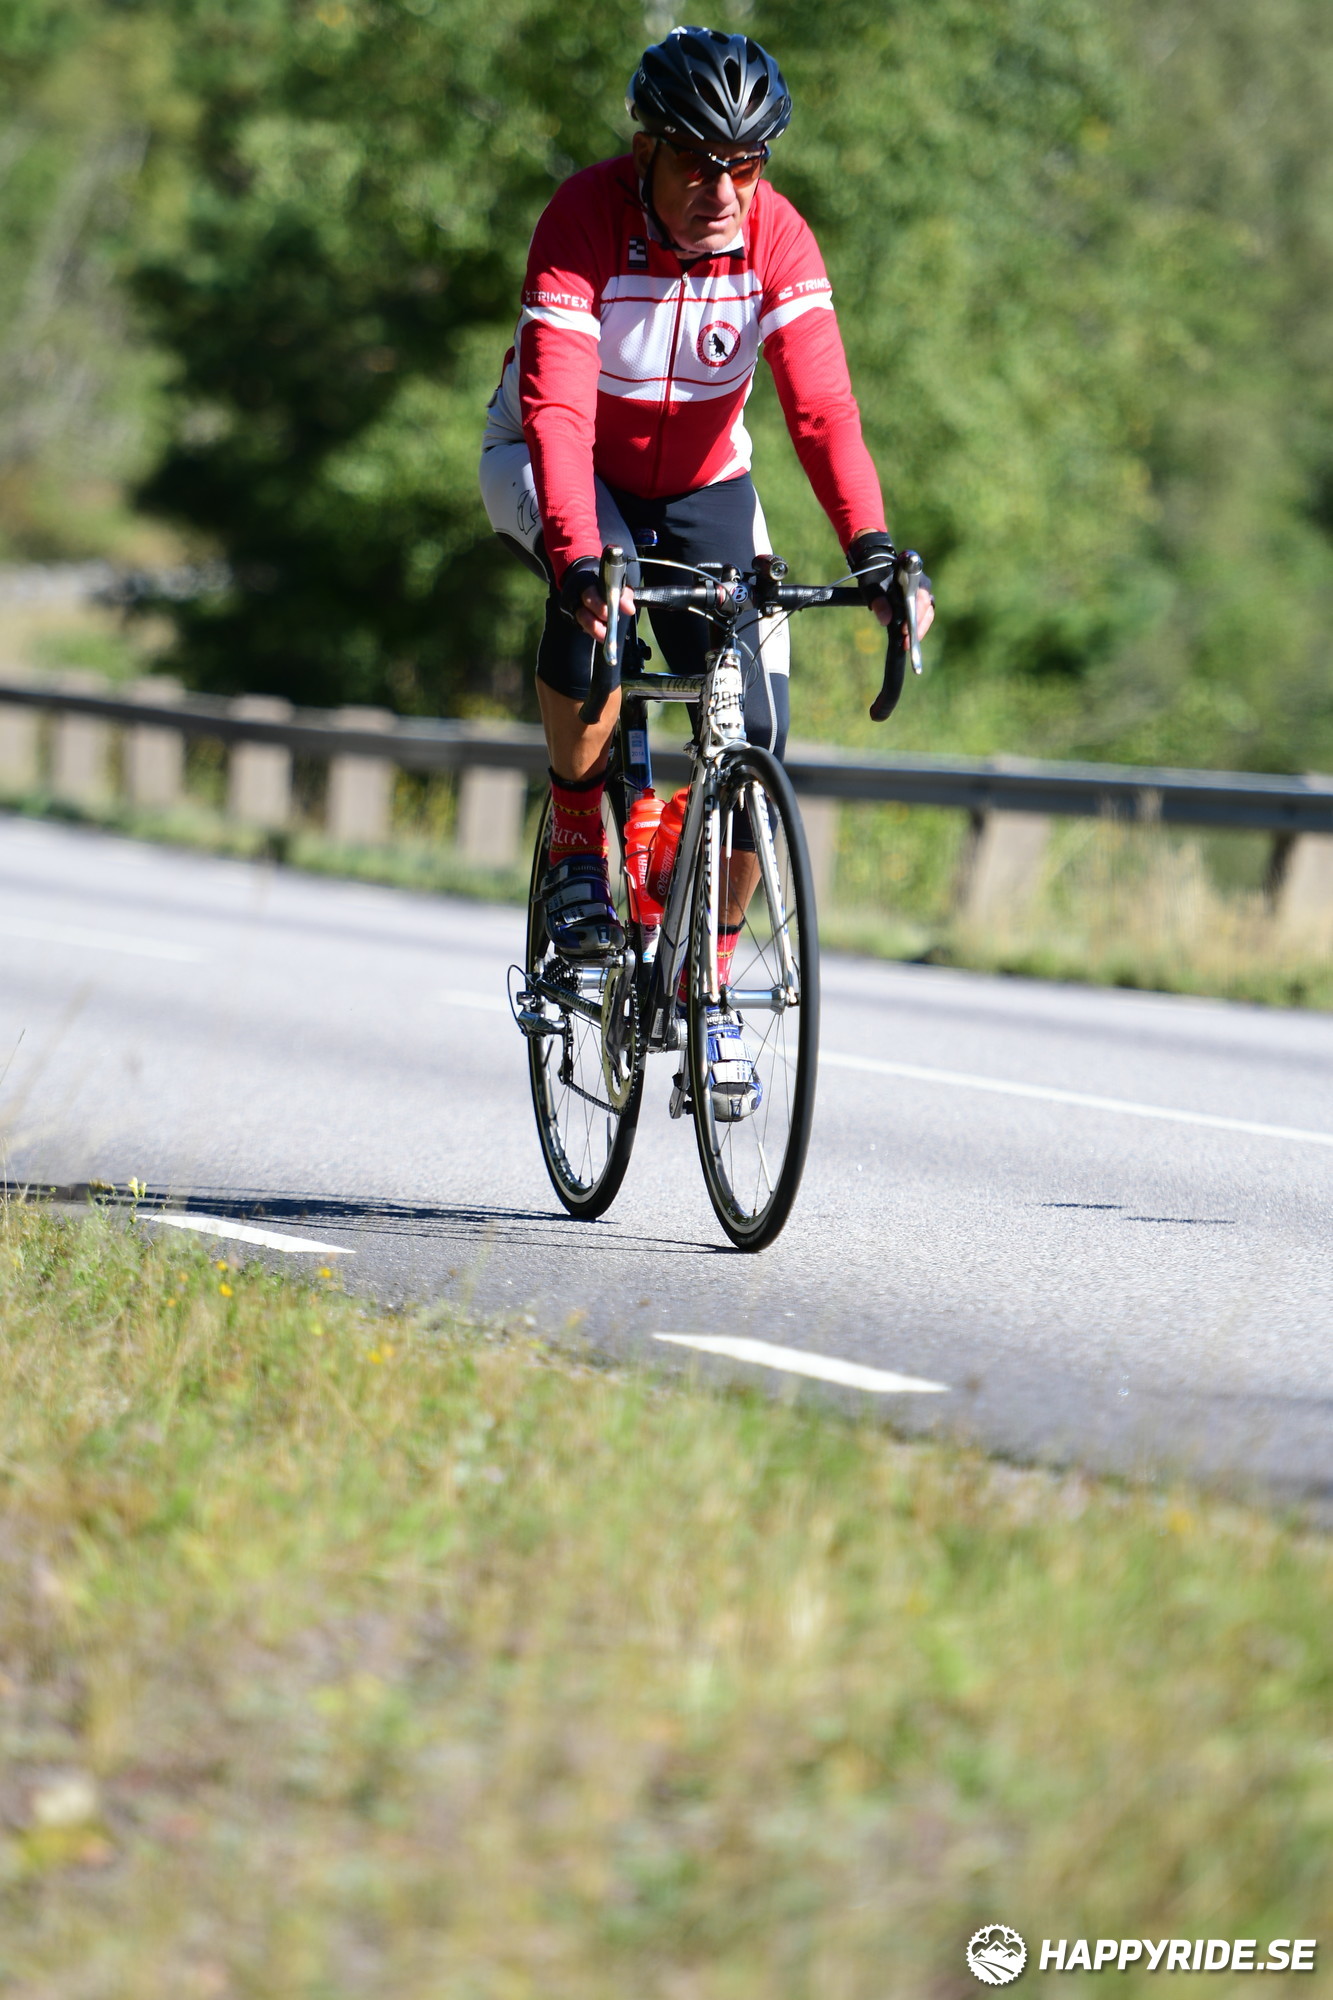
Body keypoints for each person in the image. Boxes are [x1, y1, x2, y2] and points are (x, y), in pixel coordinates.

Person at [480, 25, 932, 1115]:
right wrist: (577, 556)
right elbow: (557, 408)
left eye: (744, 165)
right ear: (646, 151)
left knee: (756, 733)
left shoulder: (776, 237)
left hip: (704, 481)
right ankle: (580, 837)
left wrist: (872, 550)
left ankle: (707, 976)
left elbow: (821, 409)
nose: (720, 192)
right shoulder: (583, 217)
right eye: (695, 163)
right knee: (596, 600)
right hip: (559, 458)